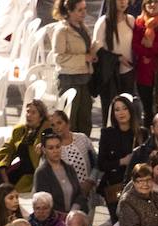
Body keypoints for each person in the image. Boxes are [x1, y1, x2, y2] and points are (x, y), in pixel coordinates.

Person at [53, 0, 94, 137]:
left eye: (85, 9)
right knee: (70, 121)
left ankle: (84, 146)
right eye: (79, 10)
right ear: (69, 11)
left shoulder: (83, 27)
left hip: (84, 77)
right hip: (69, 79)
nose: (84, 13)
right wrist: (83, 58)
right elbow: (59, 58)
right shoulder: (62, 30)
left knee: (85, 119)